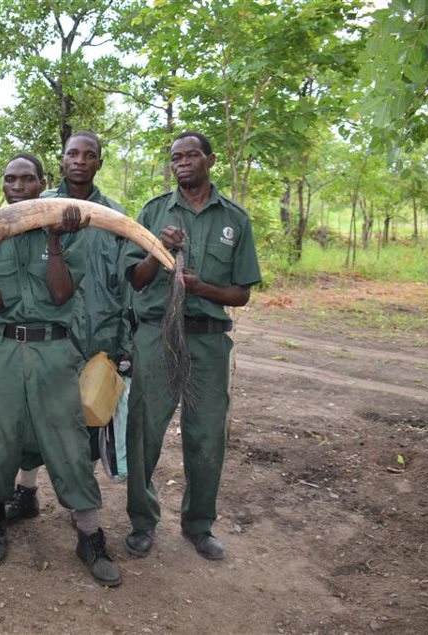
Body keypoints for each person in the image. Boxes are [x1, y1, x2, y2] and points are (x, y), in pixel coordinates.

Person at [0, 205, 121, 587]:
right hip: (3, 349)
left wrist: (54, 239)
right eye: (12, 179)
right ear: (5, 188)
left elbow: (61, 295)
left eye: (28, 179)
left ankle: (90, 536)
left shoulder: (67, 231)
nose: (19, 185)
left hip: (53, 350)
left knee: (68, 439)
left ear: (40, 184)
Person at [122, 131, 261, 561]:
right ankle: (142, 522)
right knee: (144, 429)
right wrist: (159, 249)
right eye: (175, 157)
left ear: (210, 160)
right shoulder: (153, 212)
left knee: (206, 436)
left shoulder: (234, 220)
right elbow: (136, 279)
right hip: (157, 337)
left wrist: (203, 288)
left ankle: (199, 525)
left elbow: (241, 294)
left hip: (207, 340)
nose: (181, 162)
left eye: (190, 155)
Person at [6, 132, 132, 521]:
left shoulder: (114, 216)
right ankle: (26, 492)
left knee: (89, 422)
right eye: (71, 154)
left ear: (99, 162)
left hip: (98, 338)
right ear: (60, 161)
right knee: (30, 422)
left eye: (88, 155)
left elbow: (126, 284)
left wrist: (123, 345)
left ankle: (83, 515)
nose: (79, 160)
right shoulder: (34, 207)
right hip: (45, 338)